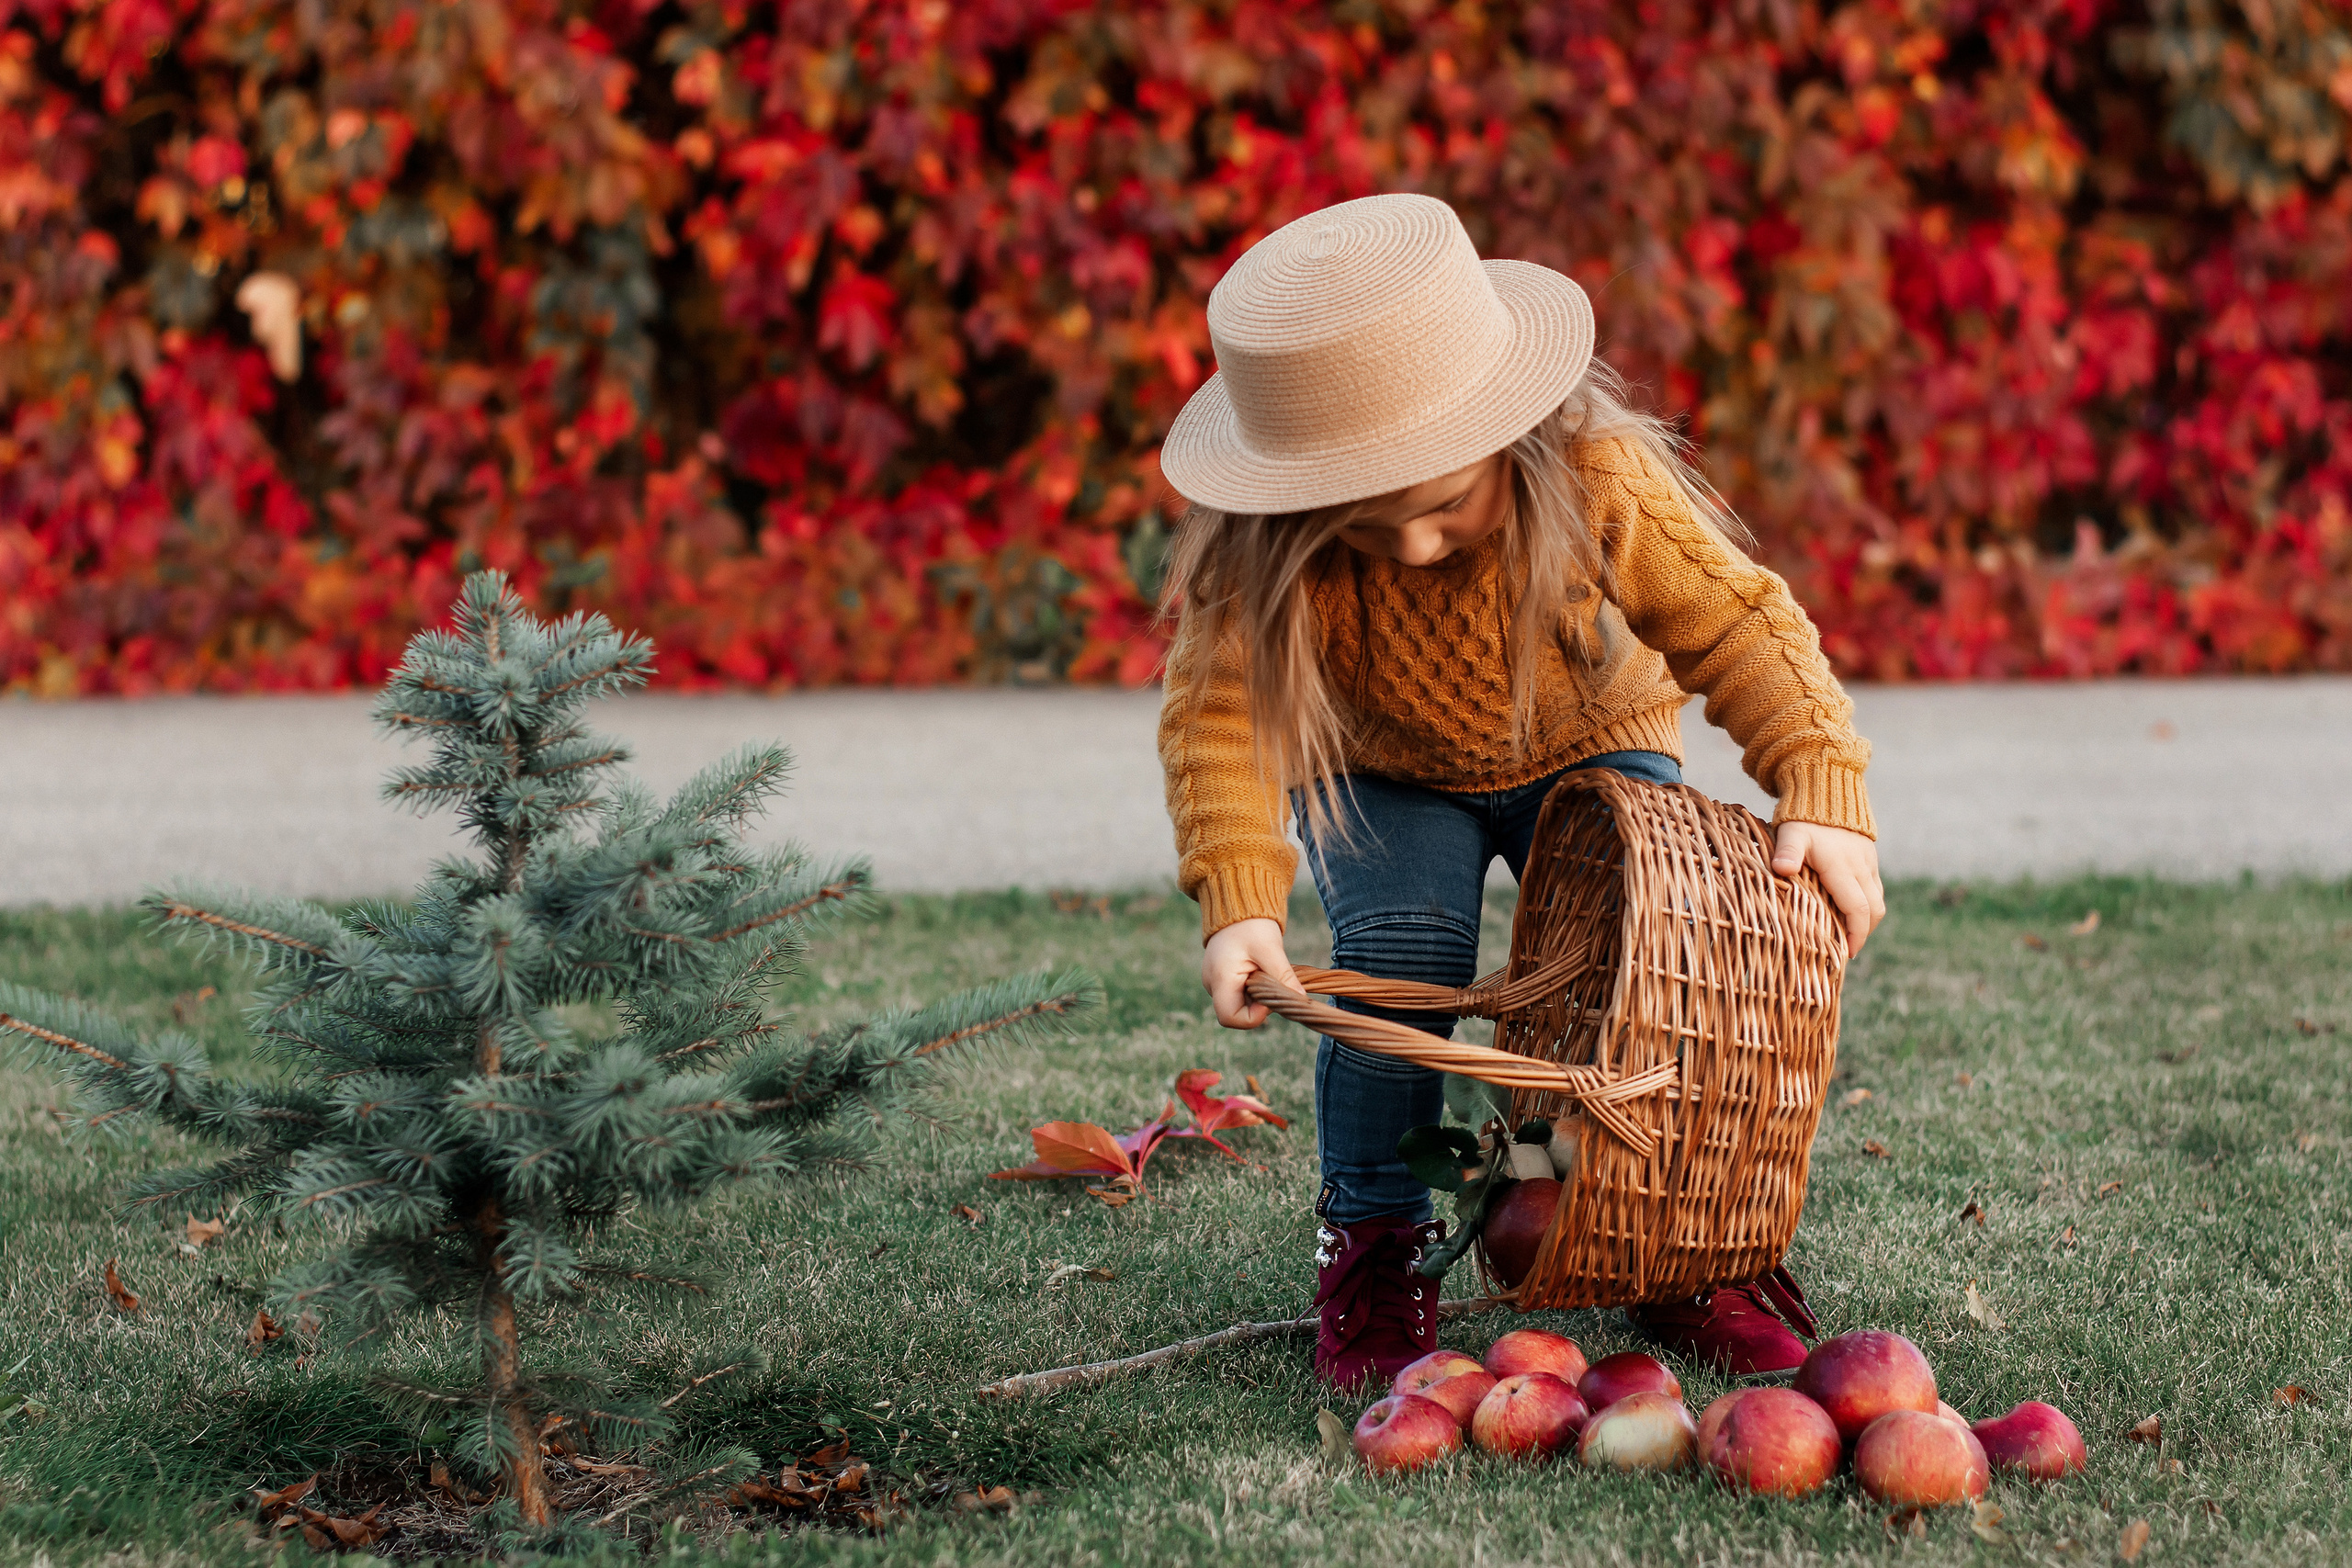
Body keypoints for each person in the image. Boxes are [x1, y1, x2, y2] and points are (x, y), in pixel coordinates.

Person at [1154, 194, 1884, 1389]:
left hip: (1591, 738)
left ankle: (1681, 1238)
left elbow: (1739, 625)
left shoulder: (1593, 472)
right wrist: (1240, 897)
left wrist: (1819, 775)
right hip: (1390, 779)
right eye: (1367, 527)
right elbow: (1215, 719)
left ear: (1514, 432)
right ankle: (1376, 1234)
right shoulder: (1261, 547)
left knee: (1657, 949)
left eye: (1445, 508)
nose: (1418, 549)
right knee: (1406, 949)